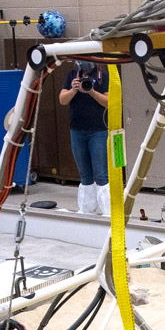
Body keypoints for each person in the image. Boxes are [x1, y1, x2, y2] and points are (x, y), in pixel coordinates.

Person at [58, 60, 110, 214]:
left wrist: (91, 91)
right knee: (84, 173)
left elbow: (109, 102)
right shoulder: (72, 76)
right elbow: (62, 100)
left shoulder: (102, 76)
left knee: (101, 173)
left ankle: (108, 212)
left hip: (98, 130)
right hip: (77, 130)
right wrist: (74, 90)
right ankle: (87, 209)